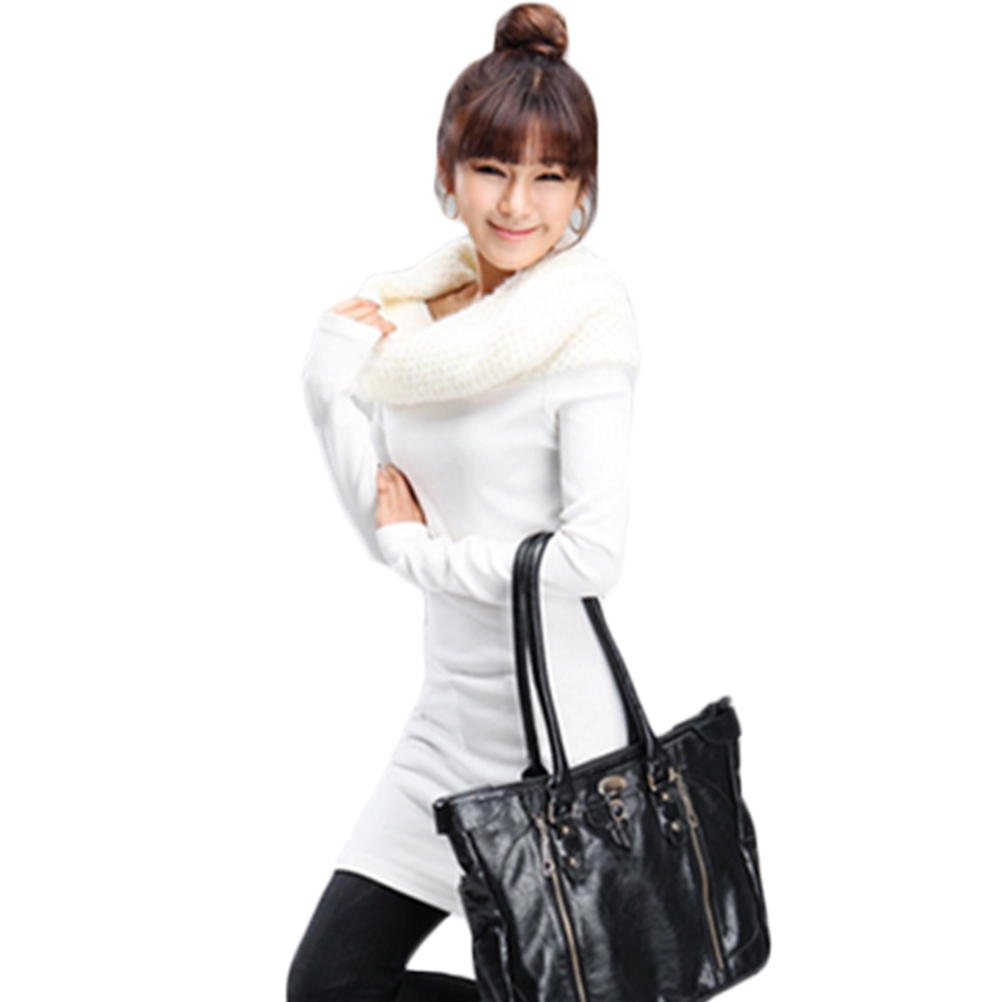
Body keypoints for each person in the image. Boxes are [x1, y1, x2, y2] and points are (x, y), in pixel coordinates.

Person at [289, 4, 642, 999]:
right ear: (448, 170)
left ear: (580, 188)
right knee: (329, 987)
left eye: (550, 176)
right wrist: (325, 389)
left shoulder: (586, 327)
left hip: (556, 739)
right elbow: (387, 512)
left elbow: (591, 557)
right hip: (446, 722)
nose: (518, 204)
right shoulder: (416, 326)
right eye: (493, 169)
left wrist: (421, 557)